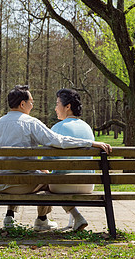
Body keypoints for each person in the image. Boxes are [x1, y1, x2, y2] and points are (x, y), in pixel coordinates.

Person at [0, 85, 112, 231]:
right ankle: (44, 219)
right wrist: (90, 143)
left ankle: (9, 216)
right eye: (31, 101)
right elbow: (58, 140)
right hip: (22, 185)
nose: (33, 104)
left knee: (19, 171)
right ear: (22, 104)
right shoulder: (31, 123)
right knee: (48, 178)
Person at [48, 88, 96, 232]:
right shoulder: (88, 128)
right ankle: (74, 219)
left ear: (67, 106)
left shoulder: (57, 128)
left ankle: (42, 219)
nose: (55, 108)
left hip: (62, 186)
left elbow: (46, 160)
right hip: (88, 185)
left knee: (45, 180)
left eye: (57, 104)